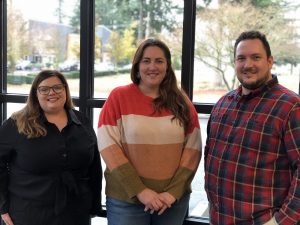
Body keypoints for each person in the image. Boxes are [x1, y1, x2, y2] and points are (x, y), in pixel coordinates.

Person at [97, 38, 202, 225]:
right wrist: (140, 191)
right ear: (137, 66)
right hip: (126, 201)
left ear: (168, 66)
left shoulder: (182, 102)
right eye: (146, 61)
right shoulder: (119, 97)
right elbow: (109, 146)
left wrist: (172, 193)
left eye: (159, 61)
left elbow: (193, 150)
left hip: (171, 203)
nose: (152, 66)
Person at [204, 30, 300, 225]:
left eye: (256, 57)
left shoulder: (290, 106)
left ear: (270, 61)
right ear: (235, 63)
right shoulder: (222, 104)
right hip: (219, 219)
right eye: (241, 58)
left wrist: (281, 221)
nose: (248, 65)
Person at [0, 70, 102, 225]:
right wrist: (2, 206)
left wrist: (95, 204)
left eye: (57, 87)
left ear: (65, 90)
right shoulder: (16, 124)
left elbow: (94, 166)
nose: (52, 93)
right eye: (44, 89)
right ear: (35, 94)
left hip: (75, 212)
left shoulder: (82, 122)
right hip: (29, 214)